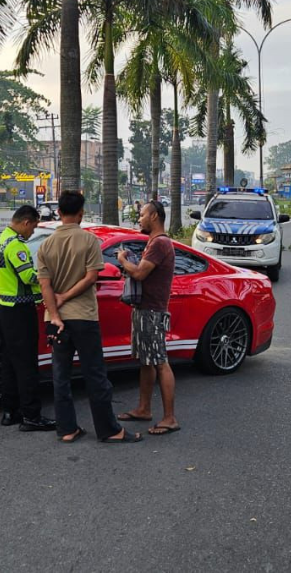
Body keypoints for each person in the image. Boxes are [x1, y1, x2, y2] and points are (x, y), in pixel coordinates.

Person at [37, 190, 141, 444]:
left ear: (59, 212)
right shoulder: (88, 240)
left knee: (60, 376)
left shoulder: (45, 245)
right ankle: (109, 430)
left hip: (56, 321)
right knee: (94, 374)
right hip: (84, 317)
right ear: (81, 214)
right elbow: (91, 277)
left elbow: (44, 285)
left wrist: (55, 311)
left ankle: (67, 429)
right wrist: (66, 297)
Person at [115, 200, 180, 436]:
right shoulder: (155, 242)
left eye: (142, 214)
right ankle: (144, 409)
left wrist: (123, 260)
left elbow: (140, 273)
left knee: (160, 362)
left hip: (152, 312)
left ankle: (170, 418)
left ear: (154, 216)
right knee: (146, 361)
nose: (139, 218)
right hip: (145, 310)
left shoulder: (160, 243)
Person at [0, 205, 57, 432]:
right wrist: (48, 277)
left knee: (10, 362)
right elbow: (28, 276)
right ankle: (31, 416)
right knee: (27, 364)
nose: (33, 232)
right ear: (26, 222)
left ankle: (10, 412)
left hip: (6, 308)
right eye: (34, 227)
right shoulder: (16, 246)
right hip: (20, 311)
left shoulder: (2, 240)